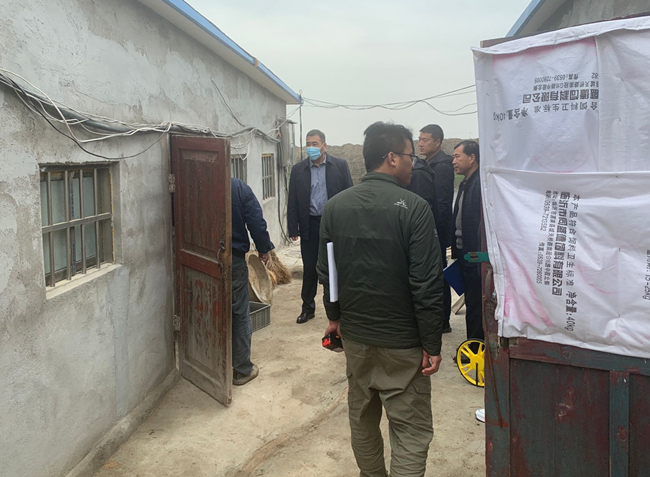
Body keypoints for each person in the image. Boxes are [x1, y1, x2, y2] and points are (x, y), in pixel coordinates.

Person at [317, 122, 445, 477]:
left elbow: (328, 273)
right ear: (391, 158)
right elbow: (427, 283)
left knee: (362, 419)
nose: (413, 163)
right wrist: (432, 343)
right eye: (409, 156)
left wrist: (334, 317)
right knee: (410, 430)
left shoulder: (335, 207)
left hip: (356, 339)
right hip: (404, 345)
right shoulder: (415, 209)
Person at [287, 129, 353, 324]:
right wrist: (293, 228)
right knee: (310, 268)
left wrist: (349, 224)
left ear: (324, 146)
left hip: (333, 224)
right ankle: (307, 308)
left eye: (314, 144)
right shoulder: (298, 170)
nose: (311, 148)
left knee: (334, 267)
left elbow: (349, 195)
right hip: (310, 224)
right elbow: (292, 201)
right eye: (308, 144)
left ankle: (338, 309)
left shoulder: (340, 166)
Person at [231, 177, 274, 385]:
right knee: (239, 312)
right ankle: (242, 369)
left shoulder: (192, 184)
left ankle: (207, 365)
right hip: (232, 260)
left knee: (206, 310)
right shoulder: (238, 187)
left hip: (197, 260)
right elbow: (255, 221)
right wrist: (263, 248)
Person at [418, 125, 454, 333]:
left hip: (436, 231)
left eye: (425, 140)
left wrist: (435, 233)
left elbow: (442, 203)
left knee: (439, 273)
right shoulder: (427, 163)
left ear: (437, 142)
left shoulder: (441, 167)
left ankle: (443, 320)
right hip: (430, 229)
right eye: (420, 139)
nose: (421, 143)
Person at [451, 140, 484, 345]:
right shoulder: (466, 183)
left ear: (472, 158)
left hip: (475, 257)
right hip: (465, 255)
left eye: (457, 156)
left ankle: (475, 348)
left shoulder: (479, 184)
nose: (453, 161)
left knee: (476, 305)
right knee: (472, 303)